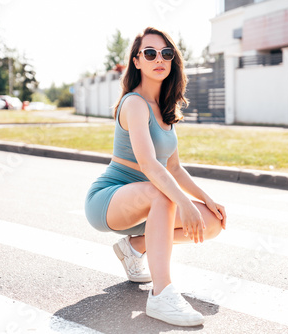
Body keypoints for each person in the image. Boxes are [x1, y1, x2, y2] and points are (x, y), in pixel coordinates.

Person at [85, 27, 226, 327]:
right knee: (164, 194)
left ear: (173, 60)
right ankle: (162, 295)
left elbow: (173, 168)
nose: (158, 58)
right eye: (149, 53)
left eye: (166, 53)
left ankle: (135, 246)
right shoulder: (134, 103)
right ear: (137, 61)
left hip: (148, 202)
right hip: (110, 199)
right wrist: (183, 204)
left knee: (212, 223)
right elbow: (149, 164)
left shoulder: (164, 110)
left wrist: (206, 200)